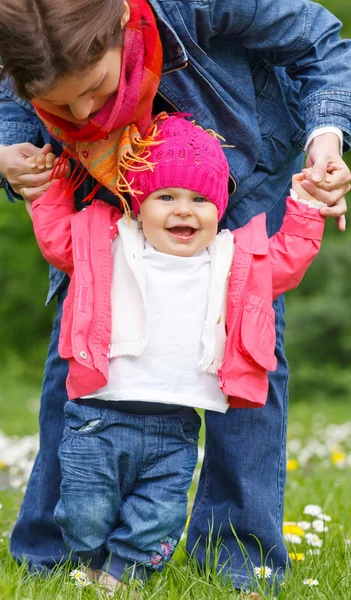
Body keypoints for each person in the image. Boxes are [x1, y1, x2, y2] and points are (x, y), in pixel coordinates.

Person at [0, 0, 350, 589]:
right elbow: (13, 96)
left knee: (246, 346)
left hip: (233, 173)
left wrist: (326, 137)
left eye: (94, 87)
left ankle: (237, 558)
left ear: (120, 22)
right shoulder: (20, 19)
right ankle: (55, 552)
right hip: (96, 178)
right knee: (84, 337)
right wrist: (8, 148)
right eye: (60, 104)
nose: (86, 112)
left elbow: (318, 39)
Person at [29, 114, 329, 591]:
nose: (183, 210)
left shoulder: (232, 260)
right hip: (97, 419)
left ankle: (124, 571)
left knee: (160, 513)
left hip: (176, 427)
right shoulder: (110, 243)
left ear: (220, 208)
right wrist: (48, 190)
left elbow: (288, 262)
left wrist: (307, 206)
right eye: (165, 197)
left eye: (200, 200)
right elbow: (55, 239)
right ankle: (87, 554)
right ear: (138, 206)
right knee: (84, 511)